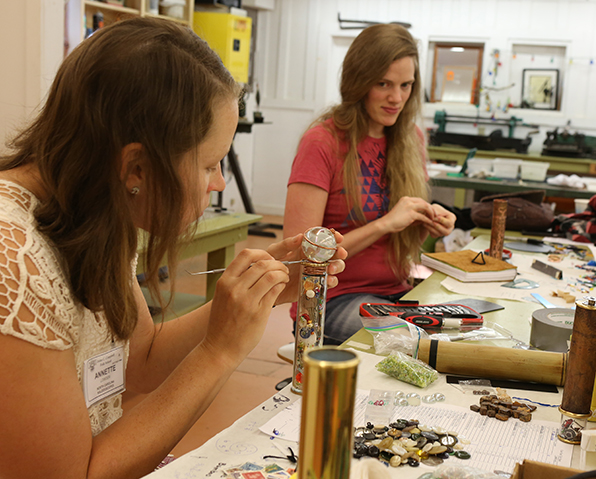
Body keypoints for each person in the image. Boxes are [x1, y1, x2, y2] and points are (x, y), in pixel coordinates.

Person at [0, 17, 345, 479]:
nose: (219, 182)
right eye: (209, 165)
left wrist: (256, 297)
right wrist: (218, 353)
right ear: (137, 168)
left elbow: (138, 363)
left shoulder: (94, 207)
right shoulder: (12, 260)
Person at [284, 24, 456, 345]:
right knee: (412, 342)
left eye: (406, 85)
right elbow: (300, 257)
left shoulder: (409, 139)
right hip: (330, 301)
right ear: (358, 82)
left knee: (462, 333)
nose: (397, 98)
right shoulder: (322, 142)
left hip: (396, 293)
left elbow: (399, 245)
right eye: (384, 84)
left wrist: (427, 223)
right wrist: (385, 224)